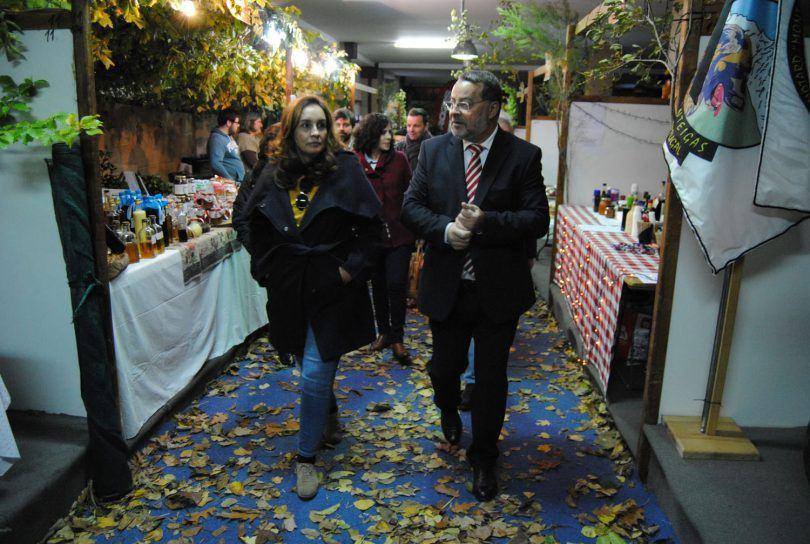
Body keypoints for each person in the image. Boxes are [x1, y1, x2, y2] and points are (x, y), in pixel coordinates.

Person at [401, 70, 548, 501]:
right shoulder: (433, 151)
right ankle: (448, 408)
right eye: (452, 103)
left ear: (492, 109)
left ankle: (484, 456)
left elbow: (537, 218)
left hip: (498, 290)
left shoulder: (523, 156)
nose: (454, 112)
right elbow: (411, 207)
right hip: (447, 286)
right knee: (443, 370)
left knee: (490, 379)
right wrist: (446, 230)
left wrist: (486, 223)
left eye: (465, 104)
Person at [242, 95, 383, 500]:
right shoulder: (272, 171)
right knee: (307, 365)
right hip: (290, 287)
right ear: (292, 130)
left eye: (321, 124)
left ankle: (306, 458)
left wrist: (348, 270)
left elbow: (374, 231)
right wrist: (266, 268)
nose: (316, 132)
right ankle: (329, 415)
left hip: (332, 286)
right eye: (306, 125)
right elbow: (248, 222)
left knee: (314, 373)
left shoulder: (346, 169)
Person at [354, 113, 415, 365]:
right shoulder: (357, 161)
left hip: (400, 234)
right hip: (371, 237)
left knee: (396, 285)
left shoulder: (399, 160)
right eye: (384, 132)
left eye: (390, 132)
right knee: (378, 285)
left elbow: (412, 192)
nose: (389, 137)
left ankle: (398, 337)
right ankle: (384, 333)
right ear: (371, 135)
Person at [208, 109, 245, 182]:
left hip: (237, 180)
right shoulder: (217, 139)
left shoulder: (228, 136)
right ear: (228, 123)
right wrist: (230, 180)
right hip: (229, 183)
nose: (238, 125)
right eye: (237, 123)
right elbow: (216, 163)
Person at [395, 107, 432, 172]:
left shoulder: (434, 148)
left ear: (426, 126)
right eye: (409, 125)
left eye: (416, 126)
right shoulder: (399, 148)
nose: (411, 130)